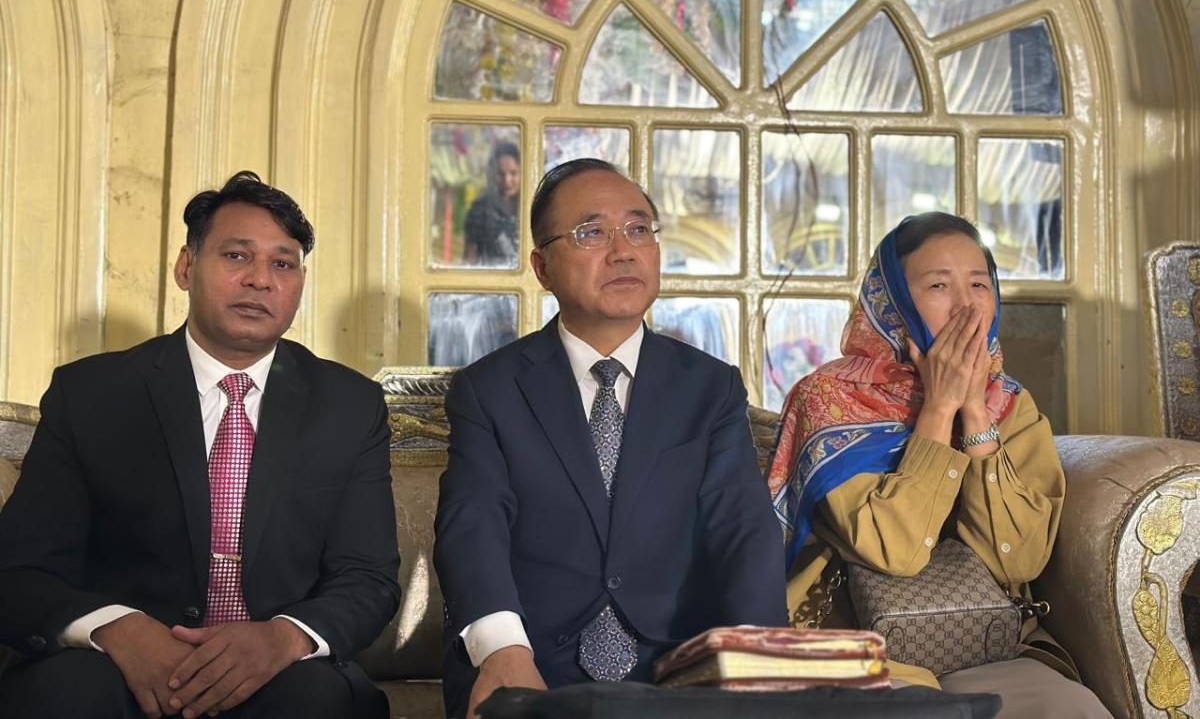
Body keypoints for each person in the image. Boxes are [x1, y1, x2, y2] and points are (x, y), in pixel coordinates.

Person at [0, 171, 400, 719]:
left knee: (318, 701)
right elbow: (19, 571)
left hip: (278, 670)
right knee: (66, 695)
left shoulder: (349, 405)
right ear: (186, 267)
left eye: (282, 264)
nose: (260, 280)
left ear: (301, 283)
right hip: (114, 664)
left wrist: (286, 637)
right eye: (237, 256)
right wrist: (118, 628)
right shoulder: (93, 393)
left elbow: (368, 578)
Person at [434, 158, 786, 719]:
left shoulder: (710, 388)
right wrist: (502, 651)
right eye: (591, 232)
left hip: (678, 671)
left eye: (639, 228)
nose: (623, 251)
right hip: (531, 663)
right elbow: (472, 527)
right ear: (542, 267)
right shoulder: (489, 390)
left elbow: (743, 530)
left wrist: (757, 658)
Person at [766, 212, 1111, 717]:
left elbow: (1017, 560)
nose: (966, 306)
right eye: (938, 286)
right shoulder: (829, 399)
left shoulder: (1010, 405)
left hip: (986, 638)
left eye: (979, 284)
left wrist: (975, 413)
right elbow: (894, 551)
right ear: (893, 302)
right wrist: (939, 409)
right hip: (855, 647)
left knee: (1072, 709)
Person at [463, 141, 520, 267]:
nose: (507, 180)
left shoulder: (533, 208)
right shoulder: (479, 209)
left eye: (513, 173)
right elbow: (469, 256)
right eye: (501, 174)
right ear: (492, 174)